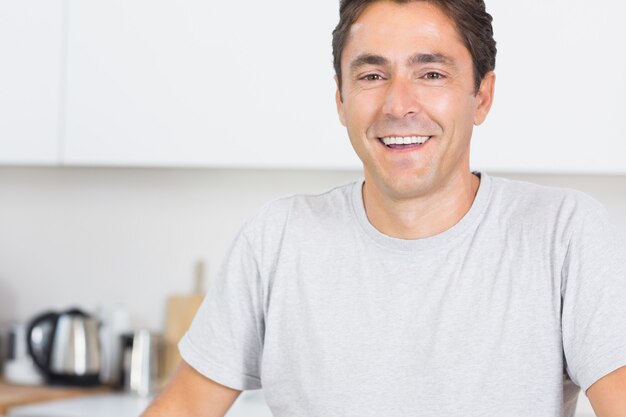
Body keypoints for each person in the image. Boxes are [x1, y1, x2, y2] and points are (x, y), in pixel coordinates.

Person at [142, 1, 626, 416]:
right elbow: (185, 406)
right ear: (340, 98)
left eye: (431, 73)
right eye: (372, 75)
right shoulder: (278, 239)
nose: (399, 104)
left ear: (481, 96)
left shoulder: (562, 234)